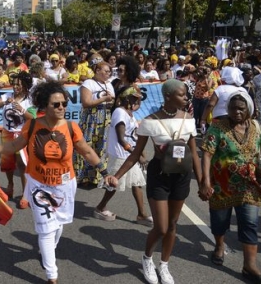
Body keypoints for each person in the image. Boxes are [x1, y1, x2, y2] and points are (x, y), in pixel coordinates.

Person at [0, 81, 104, 284]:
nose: (61, 108)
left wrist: (106, 172)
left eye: (64, 104)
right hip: (39, 185)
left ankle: (49, 251)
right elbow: (12, 146)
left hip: (65, 185)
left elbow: (87, 151)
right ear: (44, 106)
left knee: (58, 225)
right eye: (56, 104)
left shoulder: (71, 128)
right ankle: (51, 275)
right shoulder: (31, 126)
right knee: (46, 229)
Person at [106, 79, 203, 284]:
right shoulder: (149, 121)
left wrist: (203, 182)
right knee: (161, 226)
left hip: (182, 176)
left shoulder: (189, 119)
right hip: (159, 175)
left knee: (173, 224)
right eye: (181, 94)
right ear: (168, 96)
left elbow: (194, 153)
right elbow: (135, 154)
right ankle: (147, 258)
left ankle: (164, 265)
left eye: (186, 94)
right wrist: (117, 176)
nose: (186, 97)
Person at [200, 92, 261, 284]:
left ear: (249, 110)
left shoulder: (257, 129)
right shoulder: (218, 127)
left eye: (241, 108)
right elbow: (207, 155)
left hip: (249, 187)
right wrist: (205, 181)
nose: (236, 112)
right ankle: (219, 246)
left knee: (250, 224)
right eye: (232, 108)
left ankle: (249, 265)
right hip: (222, 186)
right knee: (220, 220)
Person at [94, 86, 152, 225]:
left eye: (139, 99)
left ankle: (141, 215)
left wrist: (140, 153)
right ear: (126, 99)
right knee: (114, 183)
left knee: (137, 183)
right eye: (135, 99)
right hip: (120, 155)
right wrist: (137, 155)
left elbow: (134, 138)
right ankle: (100, 207)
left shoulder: (130, 114)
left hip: (129, 155)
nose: (138, 102)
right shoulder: (119, 112)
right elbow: (122, 139)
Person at [0, 71, 34, 208]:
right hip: (7, 134)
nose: (15, 87)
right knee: (7, 164)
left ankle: (25, 194)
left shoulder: (29, 100)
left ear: (26, 87)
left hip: (21, 135)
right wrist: (4, 102)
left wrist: (21, 110)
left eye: (19, 85)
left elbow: (33, 119)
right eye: (14, 84)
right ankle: (10, 185)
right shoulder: (7, 96)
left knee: (22, 164)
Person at [75, 61, 115, 185]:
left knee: (101, 147)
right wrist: (103, 98)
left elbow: (112, 100)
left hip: (105, 118)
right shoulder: (88, 83)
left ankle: (98, 176)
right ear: (97, 71)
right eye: (106, 71)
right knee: (87, 145)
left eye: (110, 72)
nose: (109, 74)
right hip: (91, 119)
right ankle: (83, 176)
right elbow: (86, 103)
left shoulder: (109, 84)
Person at [200, 66, 248, 131]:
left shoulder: (220, 89)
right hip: (238, 121)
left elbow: (210, 105)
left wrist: (203, 119)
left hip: (220, 120)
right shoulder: (243, 90)